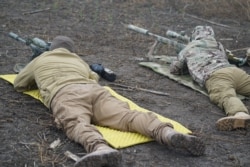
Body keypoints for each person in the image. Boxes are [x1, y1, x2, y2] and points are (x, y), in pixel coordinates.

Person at [13, 36, 205, 166]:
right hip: (95, 91)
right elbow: (93, 77)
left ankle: (100, 148)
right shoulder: (78, 60)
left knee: (75, 123)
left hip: (66, 93)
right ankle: (167, 132)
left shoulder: (41, 59)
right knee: (128, 116)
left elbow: (20, 83)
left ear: (51, 48)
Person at [168, 26, 250, 131]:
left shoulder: (189, 47)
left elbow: (175, 70)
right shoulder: (218, 44)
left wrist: (181, 56)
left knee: (225, 95)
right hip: (234, 71)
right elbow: (226, 57)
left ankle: (240, 115)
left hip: (215, 75)